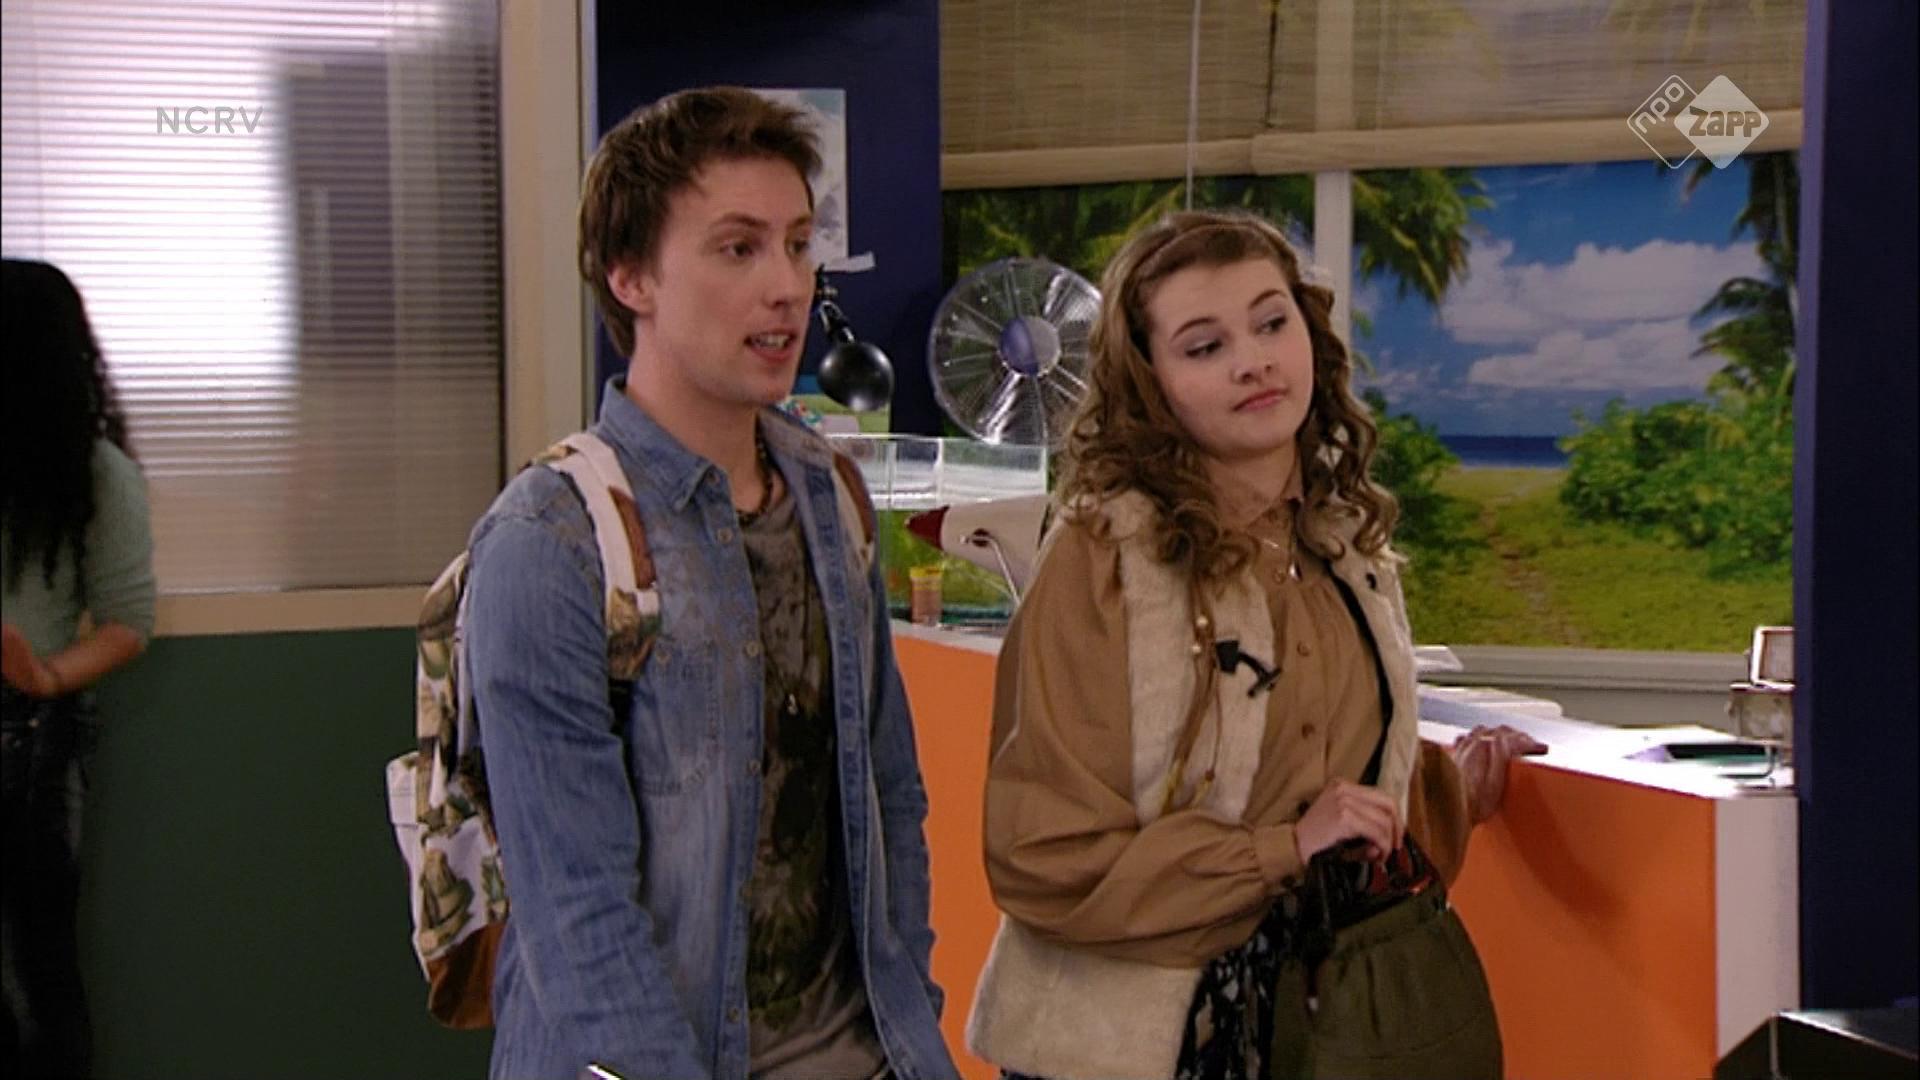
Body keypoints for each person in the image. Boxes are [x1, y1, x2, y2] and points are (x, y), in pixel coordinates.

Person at [964, 210, 1544, 1080]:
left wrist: (1454, 788)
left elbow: (1337, 795)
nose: (1254, 361)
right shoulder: (1105, 552)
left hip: (1310, 1034)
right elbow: (1044, 856)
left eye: (1272, 323)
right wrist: (1279, 851)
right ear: (1150, 380)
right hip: (1121, 1056)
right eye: (1205, 346)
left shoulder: (1347, 546)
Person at [463, 86, 956, 1080]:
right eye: (738, 248)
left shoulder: (829, 494)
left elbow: (888, 789)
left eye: (798, 246)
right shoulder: (550, 541)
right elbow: (579, 914)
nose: (787, 287)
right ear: (632, 275)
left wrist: (910, 1014)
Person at [2, 258, 157, 1080]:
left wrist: (46, 676)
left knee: (39, 975)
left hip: (28, 738)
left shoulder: (95, 474)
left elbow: (129, 621)